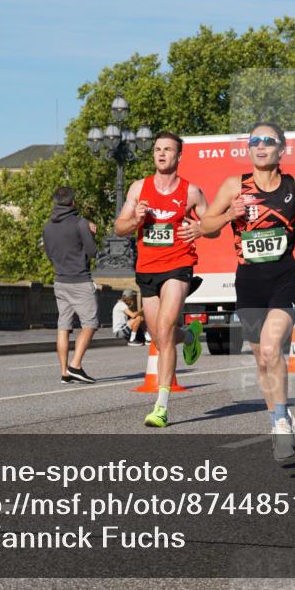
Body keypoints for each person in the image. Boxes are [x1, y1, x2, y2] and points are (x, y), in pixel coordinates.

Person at [201, 122, 295, 461]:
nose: (260, 145)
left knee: (271, 349)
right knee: (261, 359)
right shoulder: (234, 186)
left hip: (286, 279)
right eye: (254, 140)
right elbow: (207, 227)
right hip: (249, 283)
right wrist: (229, 214)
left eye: (268, 141)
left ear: (281, 149)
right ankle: (277, 418)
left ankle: (282, 420)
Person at [115, 131, 209, 428]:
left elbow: (213, 225)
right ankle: (190, 336)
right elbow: (119, 227)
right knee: (159, 337)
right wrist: (136, 219)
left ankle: (161, 406)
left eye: (168, 149)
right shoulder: (138, 188)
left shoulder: (191, 191)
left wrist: (199, 229)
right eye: (157, 149)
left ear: (178, 156)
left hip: (178, 265)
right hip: (147, 268)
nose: (161, 153)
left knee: (166, 328)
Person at [42, 186, 99, 384]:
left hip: (60, 281)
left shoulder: (47, 227)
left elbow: (49, 254)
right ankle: (75, 366)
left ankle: (64, 373)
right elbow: (92, 252)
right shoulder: (81, 223)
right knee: (90, 323)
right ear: (73, 202)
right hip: (80, 280)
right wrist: (91, 233)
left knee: (64, 326)